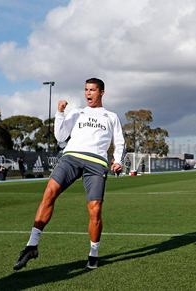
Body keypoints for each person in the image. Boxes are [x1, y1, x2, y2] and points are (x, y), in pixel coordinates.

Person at [13, 78, 125, 271]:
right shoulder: (76, 112)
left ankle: (93, 254)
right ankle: (31, 246)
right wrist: (60, 113)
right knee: (49, 193)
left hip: (96, 162)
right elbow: (60, 136)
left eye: (92, 90)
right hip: (71, 157)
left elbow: (120, 142)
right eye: (86, 90)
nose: (88, 93)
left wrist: (117, 161)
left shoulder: (111, 116)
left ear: (102, 93)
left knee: (95, 210)